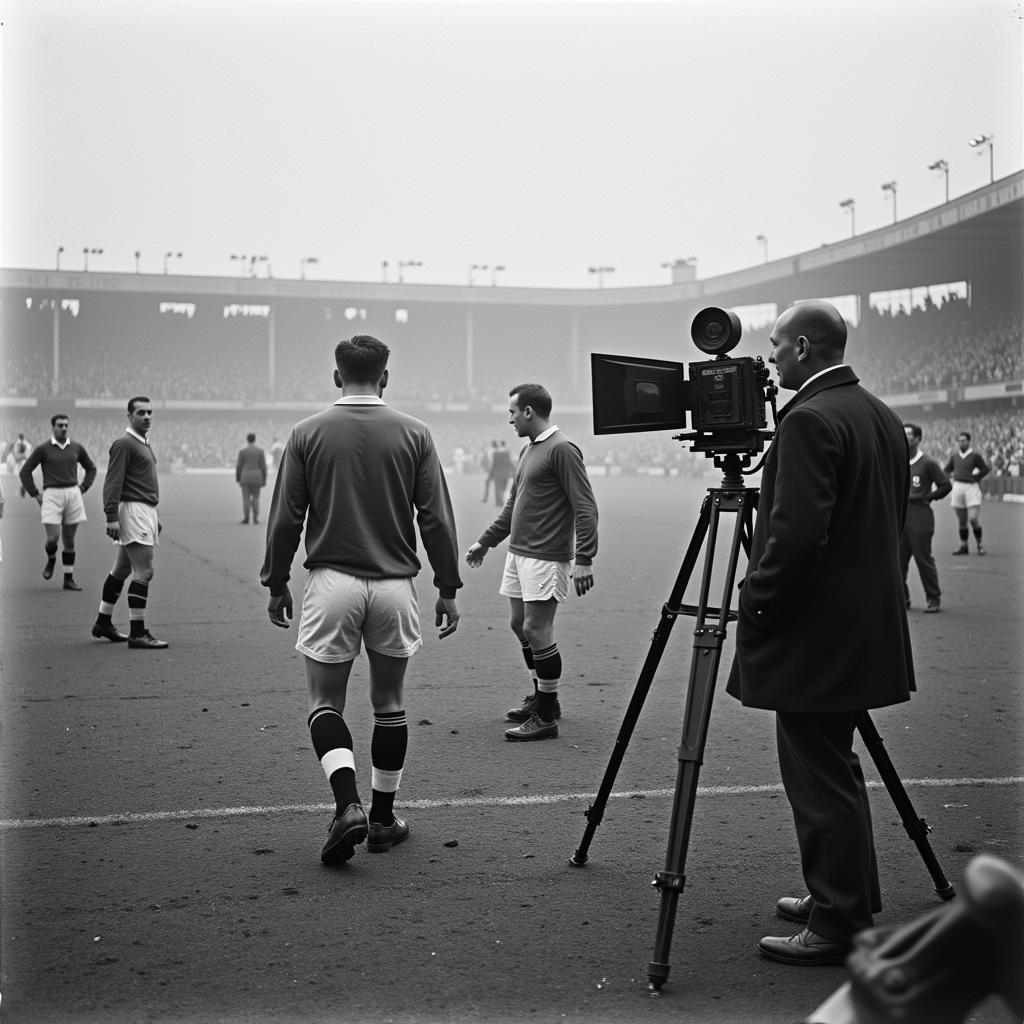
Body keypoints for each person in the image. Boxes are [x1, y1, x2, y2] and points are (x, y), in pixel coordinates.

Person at [725, 300, 915, 966]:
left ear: (803, 349)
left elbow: (796, 537)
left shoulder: (809, 420)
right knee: (834, 763)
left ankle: (839, 921)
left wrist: (756, 605)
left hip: (819, 632)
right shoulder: (876, 412)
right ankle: (842, 892)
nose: (768, 359)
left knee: (819, 773)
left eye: (775, 346)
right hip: (862, 625)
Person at [260, 335, 462, 865]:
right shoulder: (416, 433)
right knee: (389, 704)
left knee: (325, 704)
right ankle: (382, 819)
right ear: (386, 377)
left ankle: (346, 805)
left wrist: (276, 579)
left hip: (332, 584)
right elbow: (436, 519)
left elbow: (286, 518)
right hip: (395, 586)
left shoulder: (306, 433)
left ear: (335, 376)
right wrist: (447, 586)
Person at [465, 383, 598, 741]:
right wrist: (485, 542)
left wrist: (585, 558)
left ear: (528, 411)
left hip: (546, 556)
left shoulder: (563, 450)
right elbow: (513, 506)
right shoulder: (528, 450)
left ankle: (546, 715)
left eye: (512, 412)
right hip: (519, 554)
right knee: (518, 623)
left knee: (537, 630)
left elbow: (586, 507)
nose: (509, 419)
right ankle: (543, 697)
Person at [91, 396, 168, 650]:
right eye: (141, 413)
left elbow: (142, 481)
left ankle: (103, 621)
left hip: (142, 510)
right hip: (133, 510)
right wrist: (111, 515)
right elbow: (112, 482)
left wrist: (153, 516)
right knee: (145, 571)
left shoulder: (142, 443)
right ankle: (137, 632)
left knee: (122, 569)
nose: (147, 417)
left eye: (150, 412)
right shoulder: (124, 443)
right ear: (129, 416)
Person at [18, 414, 97, 591]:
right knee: (53, 538)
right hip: (51, 495)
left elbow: (91, 468)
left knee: (69, 540)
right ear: (52, 427)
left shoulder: (76, 448)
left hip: (72, 493)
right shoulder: (43, 449)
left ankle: (68, 579)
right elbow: (25, 472)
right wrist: (35, 494)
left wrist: (82, 488)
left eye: (66, 425)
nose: (63, 428)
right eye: (60, 425)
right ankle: (51, 558)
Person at [901, 423, 952, 613]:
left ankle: (933, 598)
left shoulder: (928, 463)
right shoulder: (899, 460)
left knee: (923, 559)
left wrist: (928, 498)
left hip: (920, 515)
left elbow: (945, 485)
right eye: (903, 434)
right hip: (901, 515)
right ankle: (903, 598)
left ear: (918, 439)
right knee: (898, 561)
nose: (906, 438)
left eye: (909, 435)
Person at [944, 431, 990, 555]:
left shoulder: (975, 456)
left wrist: (977, 477)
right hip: (958, 486)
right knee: (962, 521)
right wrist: (951, 475)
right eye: (959, 440)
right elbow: (946, 470)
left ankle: (980, 545)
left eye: (963, 440)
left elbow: (985, 469)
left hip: (971, 488)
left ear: (969, 441)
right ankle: (964, 546)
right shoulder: (954, 456)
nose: (961, 443)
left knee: (973, 519)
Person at [235, 432, 268, 524]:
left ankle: (246, 518)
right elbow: (263, 467)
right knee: (256, 498)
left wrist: (238, 478)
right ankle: (255, 518)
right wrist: (264, 478)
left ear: (247, 440)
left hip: (245, 477)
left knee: (246, 498)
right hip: (257, 477)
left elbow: (239, 466)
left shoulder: (242, 452)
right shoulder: (260, 451)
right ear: (255, 439)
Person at [488, 440, 515, 507]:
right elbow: (510, 463)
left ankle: (499, 502)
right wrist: (514, 472)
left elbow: (494, 465)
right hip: (506, 473)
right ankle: (501, 501)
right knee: (504, 488)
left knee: (498, 488)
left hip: (498, 474)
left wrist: (490, 475)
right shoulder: (507, 453)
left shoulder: (495, 453)